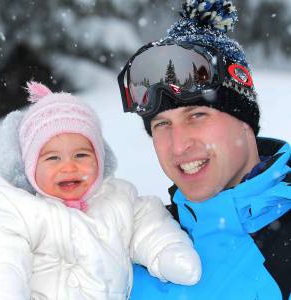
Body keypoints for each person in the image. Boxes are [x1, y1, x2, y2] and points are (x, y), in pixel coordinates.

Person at [118, 0, 291, 299]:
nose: (179, 144)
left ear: (244, 122)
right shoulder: (137, 243)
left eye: (197, 116)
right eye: (161, 125)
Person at [0, 81, 202, 299]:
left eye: (81, 155)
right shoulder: (20, 210)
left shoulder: (118, 199)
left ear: (100, 160)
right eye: (52, 158)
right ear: (31, 167)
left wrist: (168, 251)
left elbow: (149, 224)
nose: (69, 166)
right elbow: (3, 260)